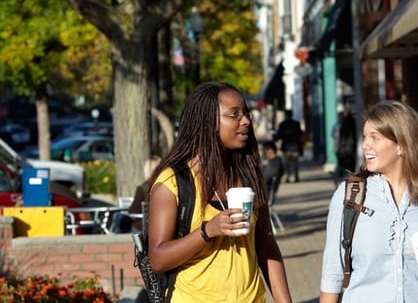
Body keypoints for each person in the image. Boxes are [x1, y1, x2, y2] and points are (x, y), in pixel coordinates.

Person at [147, 82, 292, 302]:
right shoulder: (173, 182)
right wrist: (208, 231)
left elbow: (267, 247)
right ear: (207, 123)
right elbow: (158, 258)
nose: (245, 121)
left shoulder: (249, 175)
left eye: (245, 114)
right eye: (233, 114)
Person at [320, 100, 418, 302]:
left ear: (402, 145)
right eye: (365, 137)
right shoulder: (349, 196)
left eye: (374, 138)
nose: (365, 145)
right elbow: (332, 274)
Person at [128, 155, 162, 233]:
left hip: (143, 227)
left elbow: (134, 211)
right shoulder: (167, 186)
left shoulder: (143, 188)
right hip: (162, 226)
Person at [274, 109, 303, 183]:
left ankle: (287, 177)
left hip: (286, 147)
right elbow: (300, 135)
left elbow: (278, 136)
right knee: (295, 163)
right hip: (295, 147)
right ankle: (296, 177)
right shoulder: (296, 124)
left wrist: (275, 139)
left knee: (286, 164)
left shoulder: (282, 124)